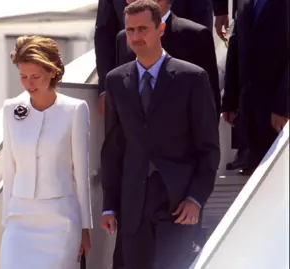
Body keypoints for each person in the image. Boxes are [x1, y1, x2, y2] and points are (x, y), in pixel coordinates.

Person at [100, 1, 220, 268]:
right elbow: (113, 148)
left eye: (143, 29)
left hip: (178, 202)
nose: (136, 36)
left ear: (161, 28)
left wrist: (196, 198)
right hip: (133, 203)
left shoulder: (192, 78)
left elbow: (208, 147)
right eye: (130, 30)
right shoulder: (116, 81)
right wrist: (109, 204)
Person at [0, 35, 92, 269]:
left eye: (35, 76)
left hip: (60, 220)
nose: (29, 83)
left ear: (52, 72)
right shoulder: (11, 109)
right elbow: (9, 169)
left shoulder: (75, 110)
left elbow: (81, 174)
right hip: (19, 221)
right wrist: (6, 220)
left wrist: (85, 228)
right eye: (23, 76)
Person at [95, 0, 214, 116]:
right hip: (129, 75)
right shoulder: (122, 40)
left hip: (182, 63)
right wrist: (105, 89)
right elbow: (104, 30)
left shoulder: (195, 36)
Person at [222, 0, 289, 175]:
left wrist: (283, 107)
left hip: (278, 114)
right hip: (250, 116)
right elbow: (235, 50)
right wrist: (229, 100)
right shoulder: (245, 4)